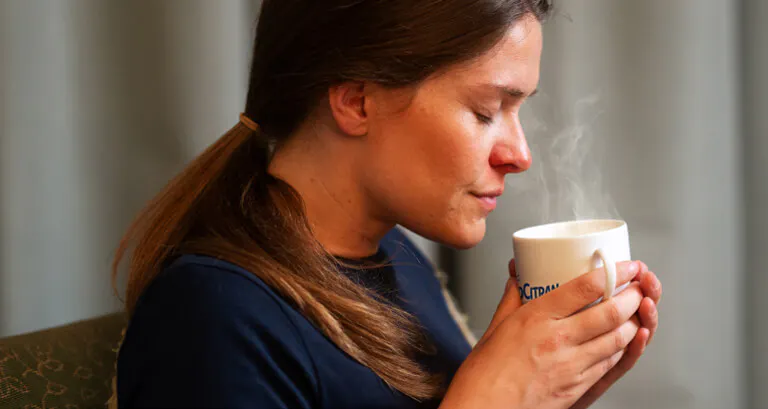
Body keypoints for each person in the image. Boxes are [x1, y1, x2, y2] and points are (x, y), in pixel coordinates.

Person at [112, 0, 662, 408]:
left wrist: (544, 394)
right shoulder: (213, 317)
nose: (519, 155)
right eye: (485, 110)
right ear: (357, 101)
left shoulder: (398, 259)